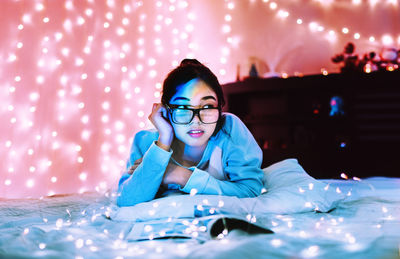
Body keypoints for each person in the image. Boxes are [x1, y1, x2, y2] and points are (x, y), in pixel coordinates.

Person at [117, 59, 264, 207]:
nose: (195, 120)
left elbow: (250, 190)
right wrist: (164, 140)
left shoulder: (229, 129)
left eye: (207, 106)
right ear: (165, 111)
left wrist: (175, 173)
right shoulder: (145, 141)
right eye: (182, 107)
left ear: (219, 108)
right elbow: (127, 201)